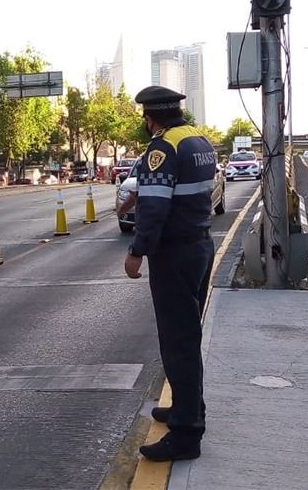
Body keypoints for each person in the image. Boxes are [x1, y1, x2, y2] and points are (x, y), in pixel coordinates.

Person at [124, 86, 217, 462]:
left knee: (178, 342)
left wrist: (136, 251)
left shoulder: (161, 149)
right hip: (200, 245)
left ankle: (186, 434)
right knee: (187, 335)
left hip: (174, 253)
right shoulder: (198, 140)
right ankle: (187, 407)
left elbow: (157, 210)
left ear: (150, 118)